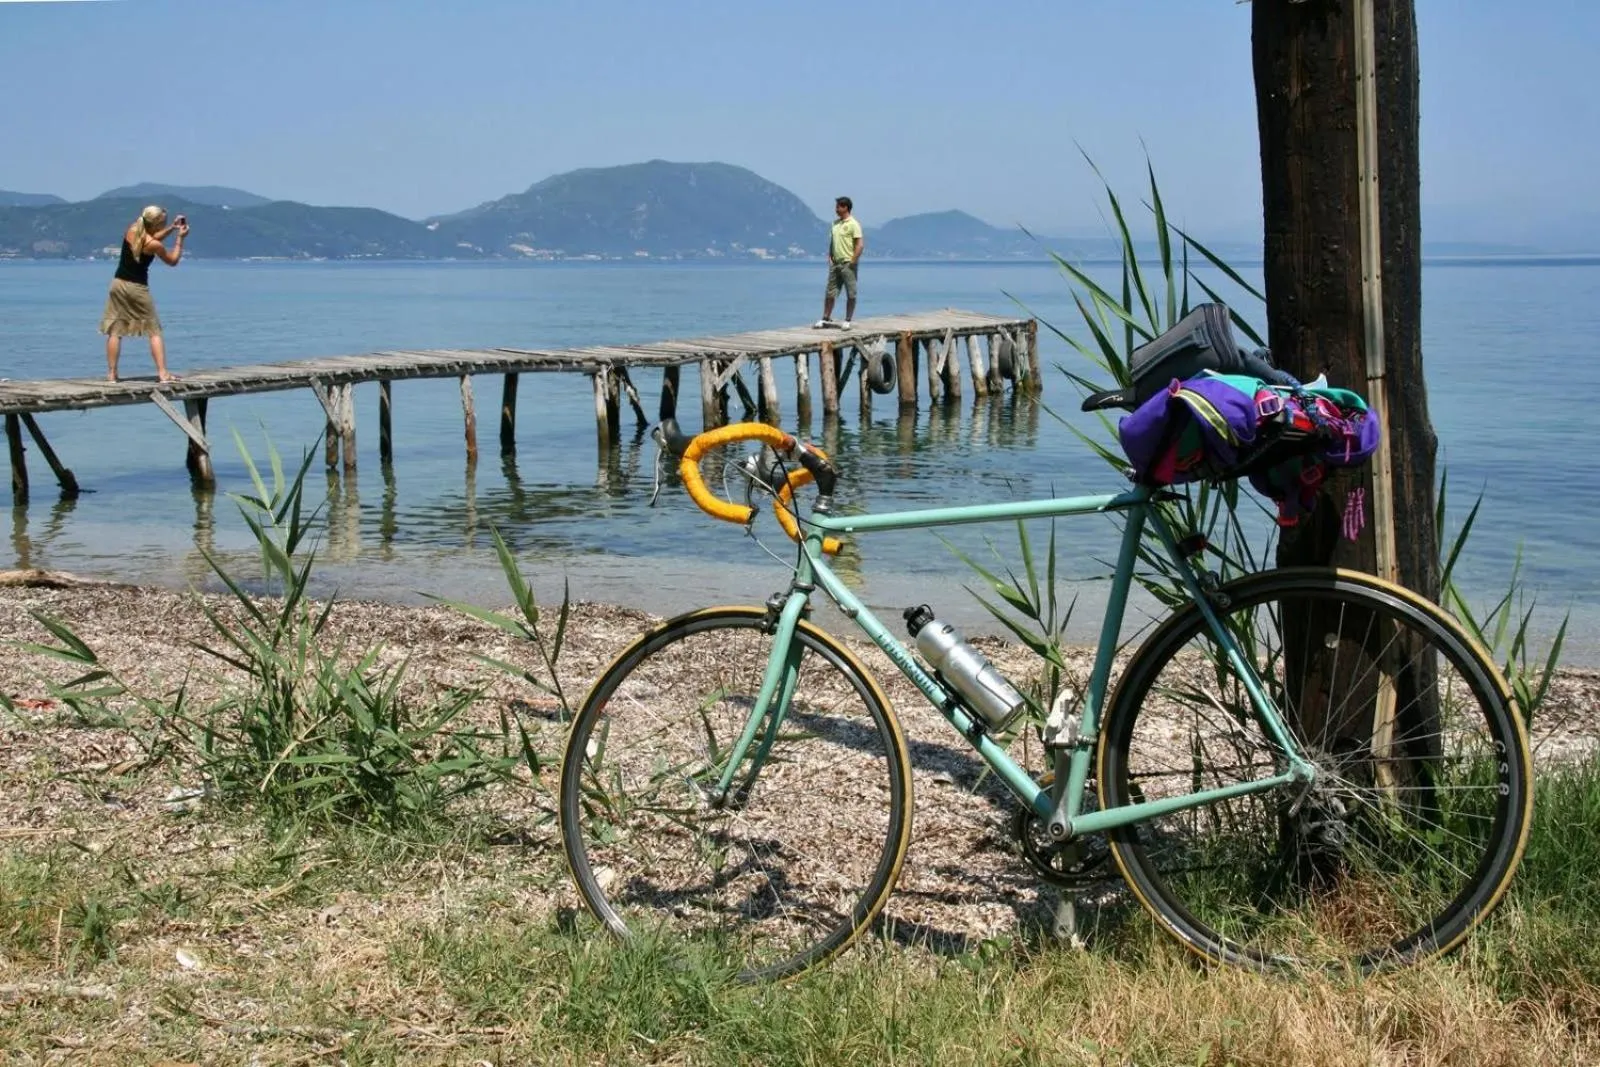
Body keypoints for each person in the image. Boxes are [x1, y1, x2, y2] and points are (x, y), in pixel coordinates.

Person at [100, 204, 188, 383]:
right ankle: (163, 374)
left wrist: (171, 227)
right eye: (163, 223)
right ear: (156, 224)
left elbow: (150, 236)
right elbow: (172, 261)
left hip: (118, 284)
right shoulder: (153, 245)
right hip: (137, 287)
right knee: (153, 330)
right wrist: (180, 238)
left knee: (115, 330)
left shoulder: (132, 229)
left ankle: (111, 374)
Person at [813, 196, 863, 329]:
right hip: (835, 263)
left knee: (851, 292)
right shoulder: (835, 224)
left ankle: (847, 319)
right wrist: (830, 255)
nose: (836, 209)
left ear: (845, 207)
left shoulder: (853, 224)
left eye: (838, 207)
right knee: (830, 292)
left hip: (848, 263)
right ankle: (825, 318)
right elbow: (833, 242)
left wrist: (853, 260)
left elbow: (859, 244)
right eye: (836, 207)